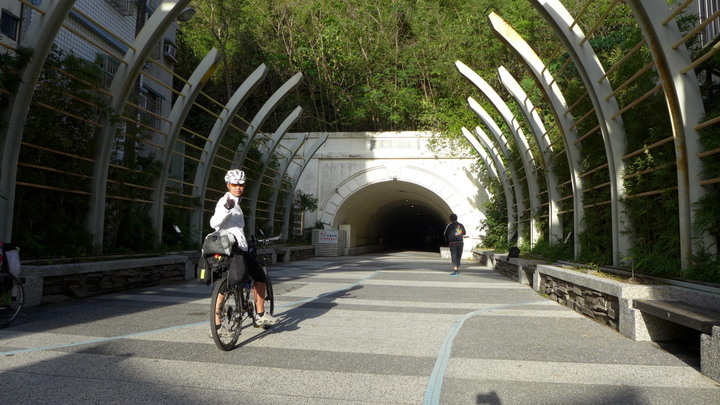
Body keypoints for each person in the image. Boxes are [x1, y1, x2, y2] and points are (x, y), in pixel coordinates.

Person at [210, 169, 278, 331]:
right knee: (259, 276)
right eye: (234, 184)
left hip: (234, 247)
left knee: (227, 286)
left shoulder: (236, 202)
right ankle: (260, 315)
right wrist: (226, 209)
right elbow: (214, 223)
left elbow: (234, 228)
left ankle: (217, 326)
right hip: (235, 250)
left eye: (241, 184)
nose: (238, 187)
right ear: (228, 185)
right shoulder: (226, 201)